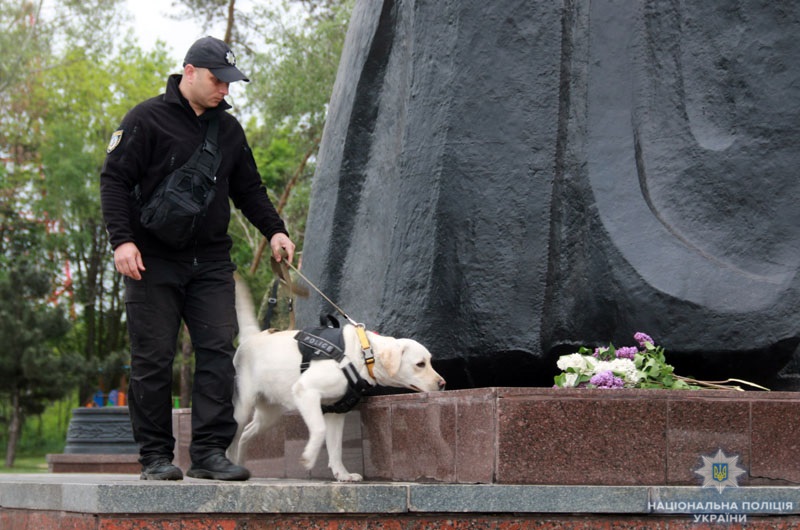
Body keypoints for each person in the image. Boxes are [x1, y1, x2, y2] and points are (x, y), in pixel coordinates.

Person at [100, 36, 295, 481]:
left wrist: (276, 230)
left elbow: (249, 190)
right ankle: (154, 457)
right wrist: (121, 241)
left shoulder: (228, 131)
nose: (224, 90)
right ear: (189, 72)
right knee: (153, 358)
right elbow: (113, 181)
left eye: (230, 83)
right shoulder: (144, 119)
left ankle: (209, 453)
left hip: (208, 261)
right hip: (151, 260)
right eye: (216, 80)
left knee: (217, 354)